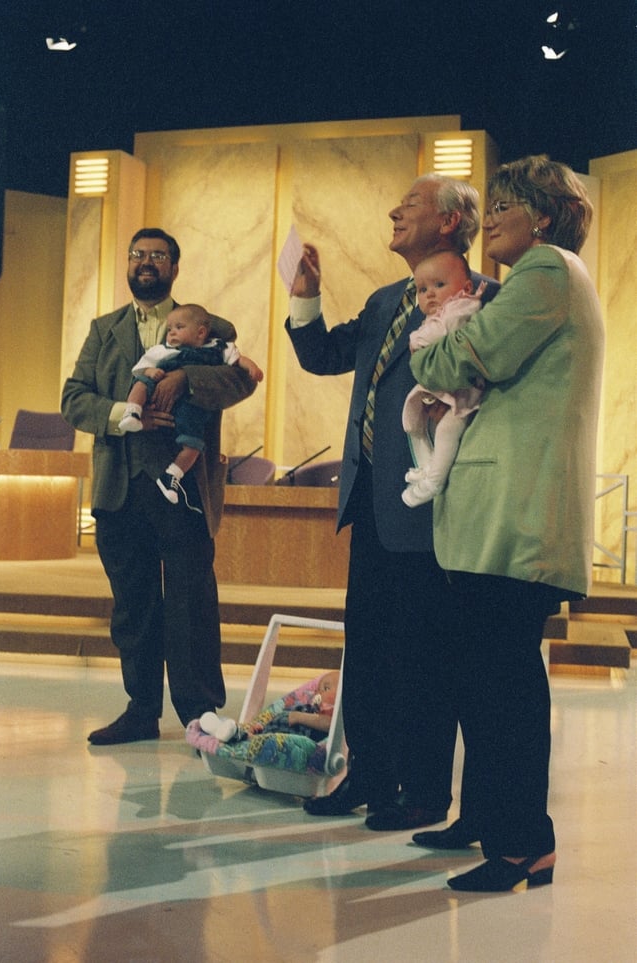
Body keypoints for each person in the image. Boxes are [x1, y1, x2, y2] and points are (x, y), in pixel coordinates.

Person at [409, 156, 604, 890]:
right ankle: (495, 824)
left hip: (514, 521)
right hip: (504, 519)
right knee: (490, 682)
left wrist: (439, 339)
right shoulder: (539, 276)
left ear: (544, 216)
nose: (490, 219)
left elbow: (464, 357)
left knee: (506, 692)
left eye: (505, 207)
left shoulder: (546, 272)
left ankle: (525, 843)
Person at [286, 175, 499, 831]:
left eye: (408, 205)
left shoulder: (488, 298)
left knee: (425, 655)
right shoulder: (387, 300)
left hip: (434, 506)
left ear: (447, 223)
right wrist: (305, 296)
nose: (392, 212)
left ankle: (426, 790)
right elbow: (324, 354)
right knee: (371, 649)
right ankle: (371, 772)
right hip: (372, 503)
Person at [62, 228, 258, 745]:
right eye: (138, 254)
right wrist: (118, 416)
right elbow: (73, 397)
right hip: (119, 488)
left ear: (174, 266)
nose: (146, 262)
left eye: (158, 256)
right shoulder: (105, 329)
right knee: (133, 606)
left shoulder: (207, 325)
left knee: (192, 602)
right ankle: (141, 709)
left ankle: (201, 715)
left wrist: (186, 381)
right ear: (128, 264)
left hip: (182, 486)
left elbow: (240, 381)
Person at [118, 302, 263, 507]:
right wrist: (151, 373)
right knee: (142, 383)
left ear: (201, 332)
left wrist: (252, 367)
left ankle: (172, 476)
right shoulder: (162, 350)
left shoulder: (218, 342)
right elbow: (141, 368)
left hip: (193, 414)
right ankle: (131, 412)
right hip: (126, 476)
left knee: (193, 445)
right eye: (169, 330)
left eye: (178, 328)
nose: (172, 333)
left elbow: (239, 368)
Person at [401, 251, 486, 507]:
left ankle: (435, 479)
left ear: (466, 287)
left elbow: (439, 334)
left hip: (465, 391)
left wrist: (416, 340)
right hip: (442, 389)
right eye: (422, 289)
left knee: (448, 429)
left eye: (439, 285)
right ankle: (427, 467)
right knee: (414, 425)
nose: (430, 294)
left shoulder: (464, 306)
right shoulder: (440, 313)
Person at [198, 670, 340, 743]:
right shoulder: (309, 707)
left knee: (260, 741)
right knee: (254, 732)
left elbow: (328, 724)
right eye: (317, 689)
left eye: (326, 689)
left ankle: (232, 733)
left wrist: (297, 717)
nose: (318, 692)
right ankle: (221, 727)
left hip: (288, 741)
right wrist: (263, 727)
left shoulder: (333, 720)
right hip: (273, 731)